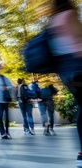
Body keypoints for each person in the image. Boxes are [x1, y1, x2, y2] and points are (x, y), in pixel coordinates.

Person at [45, 0, 82, 165]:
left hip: (66, 74)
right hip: (79, 68)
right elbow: (79, 45)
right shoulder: (69, 15)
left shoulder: (52, 21)